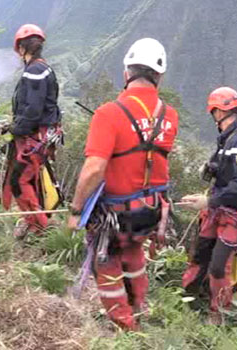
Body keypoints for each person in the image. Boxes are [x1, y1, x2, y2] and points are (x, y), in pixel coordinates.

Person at [67, 38, 179, 331]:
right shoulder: (171, 116)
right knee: (133, 254)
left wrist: (76, 209)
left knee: (107, 264)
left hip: (116, 216)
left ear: (126, 72)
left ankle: (125, 326)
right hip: (151, 212)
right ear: (159, 76)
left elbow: (94, 169)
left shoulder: (109, 114)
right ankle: (139, 310)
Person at [181, 87, 237, 323]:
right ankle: (189, 295)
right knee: (201, 251)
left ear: (217, 112)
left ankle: (219, 314)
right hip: (219, 207)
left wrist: (208, 201)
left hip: (235, 213)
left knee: (219, 266)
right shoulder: (227, 139)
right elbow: (225, 175)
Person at [1, 24, 62, 239]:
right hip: (40, 136)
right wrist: (15, 126)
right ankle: (35, 223)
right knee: (31, 179)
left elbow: (33, 109)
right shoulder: (42, 68)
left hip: (34, 137)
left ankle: (41, 227)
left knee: (19, 180)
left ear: (20, 48)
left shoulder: (35, 71)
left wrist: (16, 128)